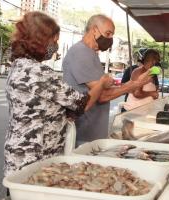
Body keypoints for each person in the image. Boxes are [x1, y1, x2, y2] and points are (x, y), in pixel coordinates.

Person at [4, 12, 112, 176]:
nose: (55, 45)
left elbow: (44, 107)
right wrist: (102, 83)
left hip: (18, 156)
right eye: (54, 40)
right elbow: (83, 103)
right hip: (36, 160)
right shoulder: (39, 73)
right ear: (39, 40)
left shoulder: (18, 66)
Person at [63, 14, 151, 144]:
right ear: (94, 30)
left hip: (93, 132)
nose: (110, 39)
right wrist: (133, 85)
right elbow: (102, 95)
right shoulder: (81, 53)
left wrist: (133, 83)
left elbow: (105, 88)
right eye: (108, 33)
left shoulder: (91, 54)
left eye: (112, 35)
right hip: (83, 134)